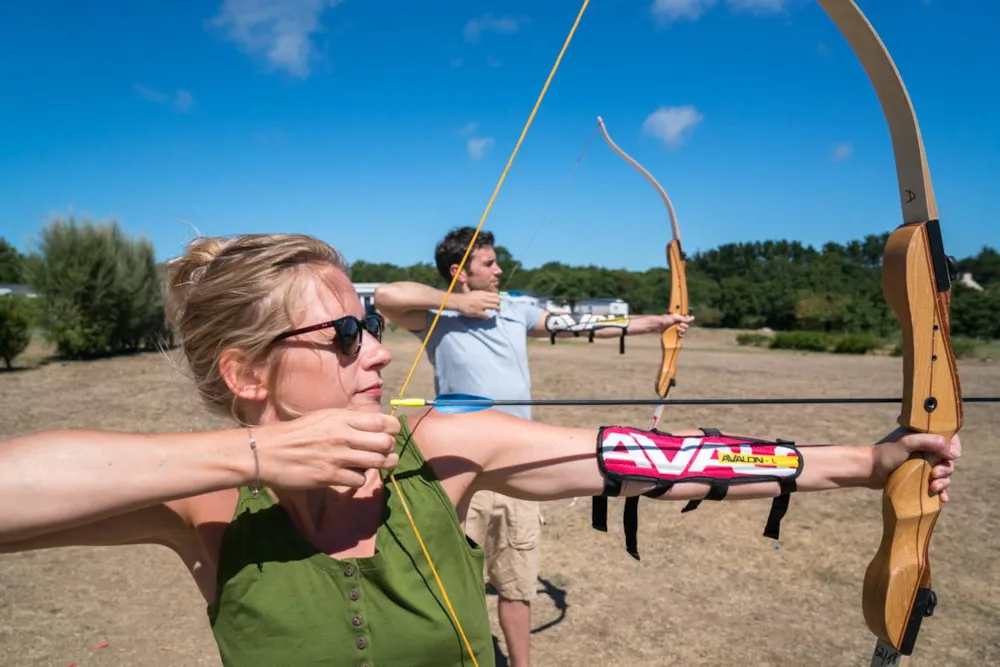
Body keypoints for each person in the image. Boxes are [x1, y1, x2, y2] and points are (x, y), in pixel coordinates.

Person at [0, 233, 959, 667]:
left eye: (372, 327)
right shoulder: (206, 505)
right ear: (248, 373)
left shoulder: (442, 448)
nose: (379, 351)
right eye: (344, 335)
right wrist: (255, 459)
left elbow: (636, 458)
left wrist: (857, 464)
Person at [374, 226, 695, 666]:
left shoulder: (516, 311)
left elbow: (582, 325)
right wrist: (459, 303)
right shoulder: (435, 319)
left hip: (517, 470)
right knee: (447, 579)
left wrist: (655, 323)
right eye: (488, 263)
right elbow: (386, 295)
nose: (498, 270)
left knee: (517, 583)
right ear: (459, 272)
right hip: (458, 470)